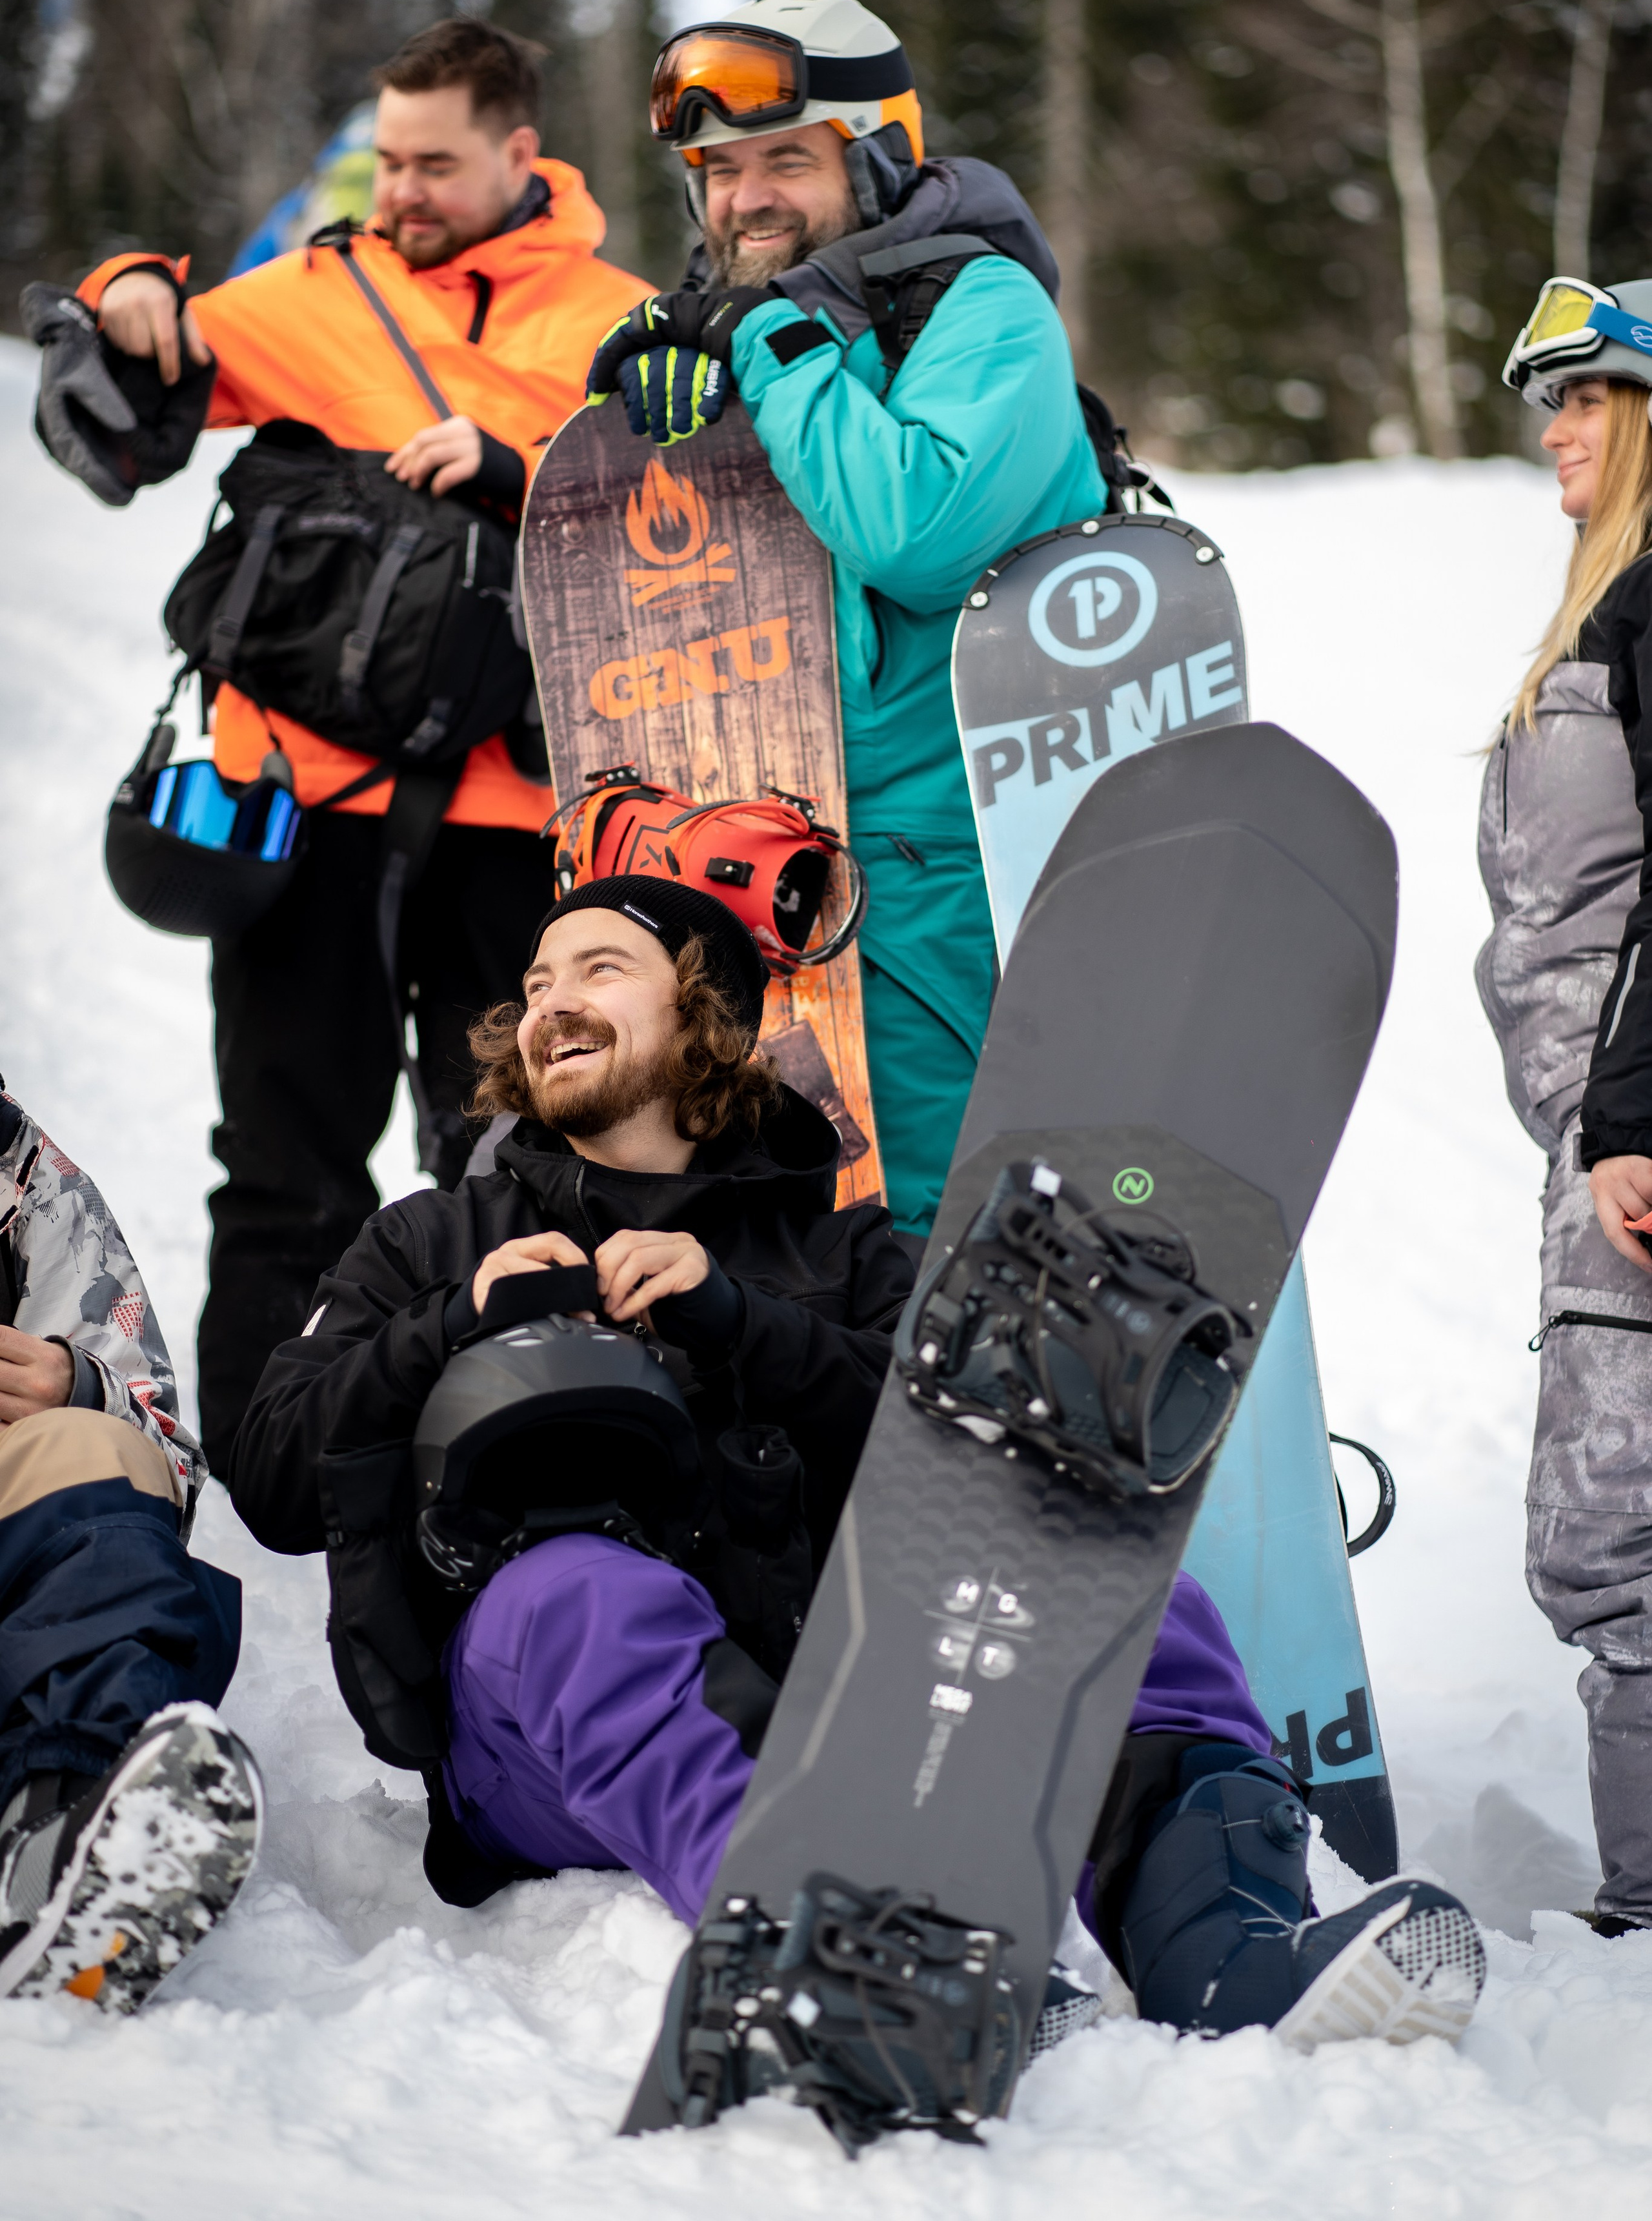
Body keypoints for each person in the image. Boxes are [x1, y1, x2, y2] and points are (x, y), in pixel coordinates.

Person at [224, 878, 1482, 2051]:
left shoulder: (851, 1255)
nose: (550, 1002)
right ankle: (848, 1956)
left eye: (598, 970)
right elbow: (275, 1477)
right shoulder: (433, 1242)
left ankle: (1226, 1951)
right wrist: (450, 1330)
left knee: (1114, 1578)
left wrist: (740, 1325)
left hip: (850, 1699)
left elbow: (1006, 1449)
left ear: (703, 1013)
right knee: (577, 1592)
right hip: (535, 1749)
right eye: (537, 982)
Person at [25, 18, 652, 1470]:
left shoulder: (620, 325)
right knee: (284, 1161)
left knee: (513, 1154)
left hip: (521, 826)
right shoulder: (307, 294)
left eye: (437, 164)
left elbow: (682, 531)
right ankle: (266, 1464)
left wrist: (523, 476)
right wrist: (124, 290)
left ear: (519, 153)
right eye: (388, 159)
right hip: (301, 814)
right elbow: (136, 402)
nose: (403, 190)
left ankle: (502, 1444)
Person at [585, 0, 1113, 1253]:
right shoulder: (749, 329)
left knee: (922, 1246)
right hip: (741, 886)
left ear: (870, 158)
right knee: (749, 1264)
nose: (744, 199)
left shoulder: (979, 311)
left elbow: (916, 535)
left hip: (936, 893)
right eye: (718, 172)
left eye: (785, 161)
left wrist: (761, 338)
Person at [1484, 277, 1652, 1932]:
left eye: (1589, 398)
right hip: (1602, 1135)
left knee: (1621, 1539)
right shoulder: (1615, 610)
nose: (1555, 430)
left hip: (1632, 1149)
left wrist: (1627, 1122)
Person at [0, 1078, 260, 2008]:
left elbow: (163, 1469)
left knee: (99, 1452)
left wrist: (75, 1386)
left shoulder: (32, 1188)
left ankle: (64, 1840)